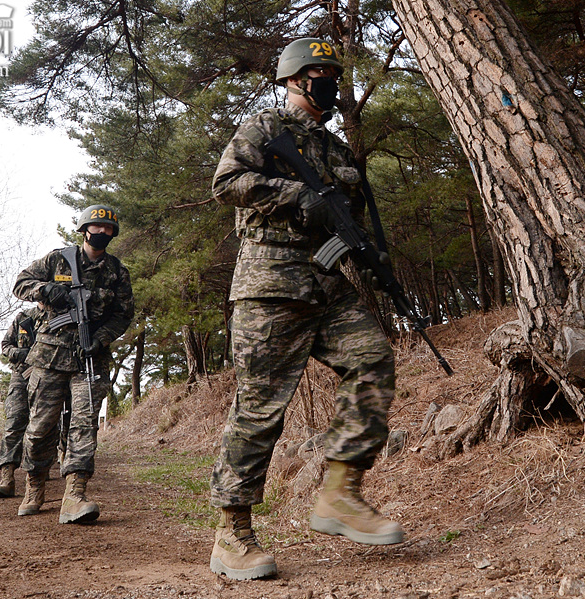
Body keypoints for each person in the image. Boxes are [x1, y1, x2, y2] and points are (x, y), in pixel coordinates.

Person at [208, 38, 403, 580]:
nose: (329, 81)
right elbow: (227, 183)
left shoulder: (338, 151)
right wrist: (295, 196)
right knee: (261, 409)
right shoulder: (265, 129)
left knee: (373, 360)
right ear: (294, 79)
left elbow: (348, 218)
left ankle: (340, 492)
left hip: (327, 285)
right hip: (270, 284)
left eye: (333, 73)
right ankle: (232, 533)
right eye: (318, 72)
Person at [12, 204, 134, 524]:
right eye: (97, 228)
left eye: (108, 230)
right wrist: (46, 289)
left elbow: (123, 315)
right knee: (40, 430)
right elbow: (20, 283)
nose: (102, 234)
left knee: (83, 426)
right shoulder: (57, 260)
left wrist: (101, 337)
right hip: (50, 357)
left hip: (89, 358)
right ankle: (35, 484)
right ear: (84, 230)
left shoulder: (117, 272)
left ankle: (74, 495)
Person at [0, 305, 45, 498]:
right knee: (14, 421)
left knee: (46, 424)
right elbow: (5, 345)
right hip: (21, 374)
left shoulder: (58, 316)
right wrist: (20, 354)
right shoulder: (23, 317)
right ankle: (7, 477)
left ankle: (41, 472)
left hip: (48, 376)